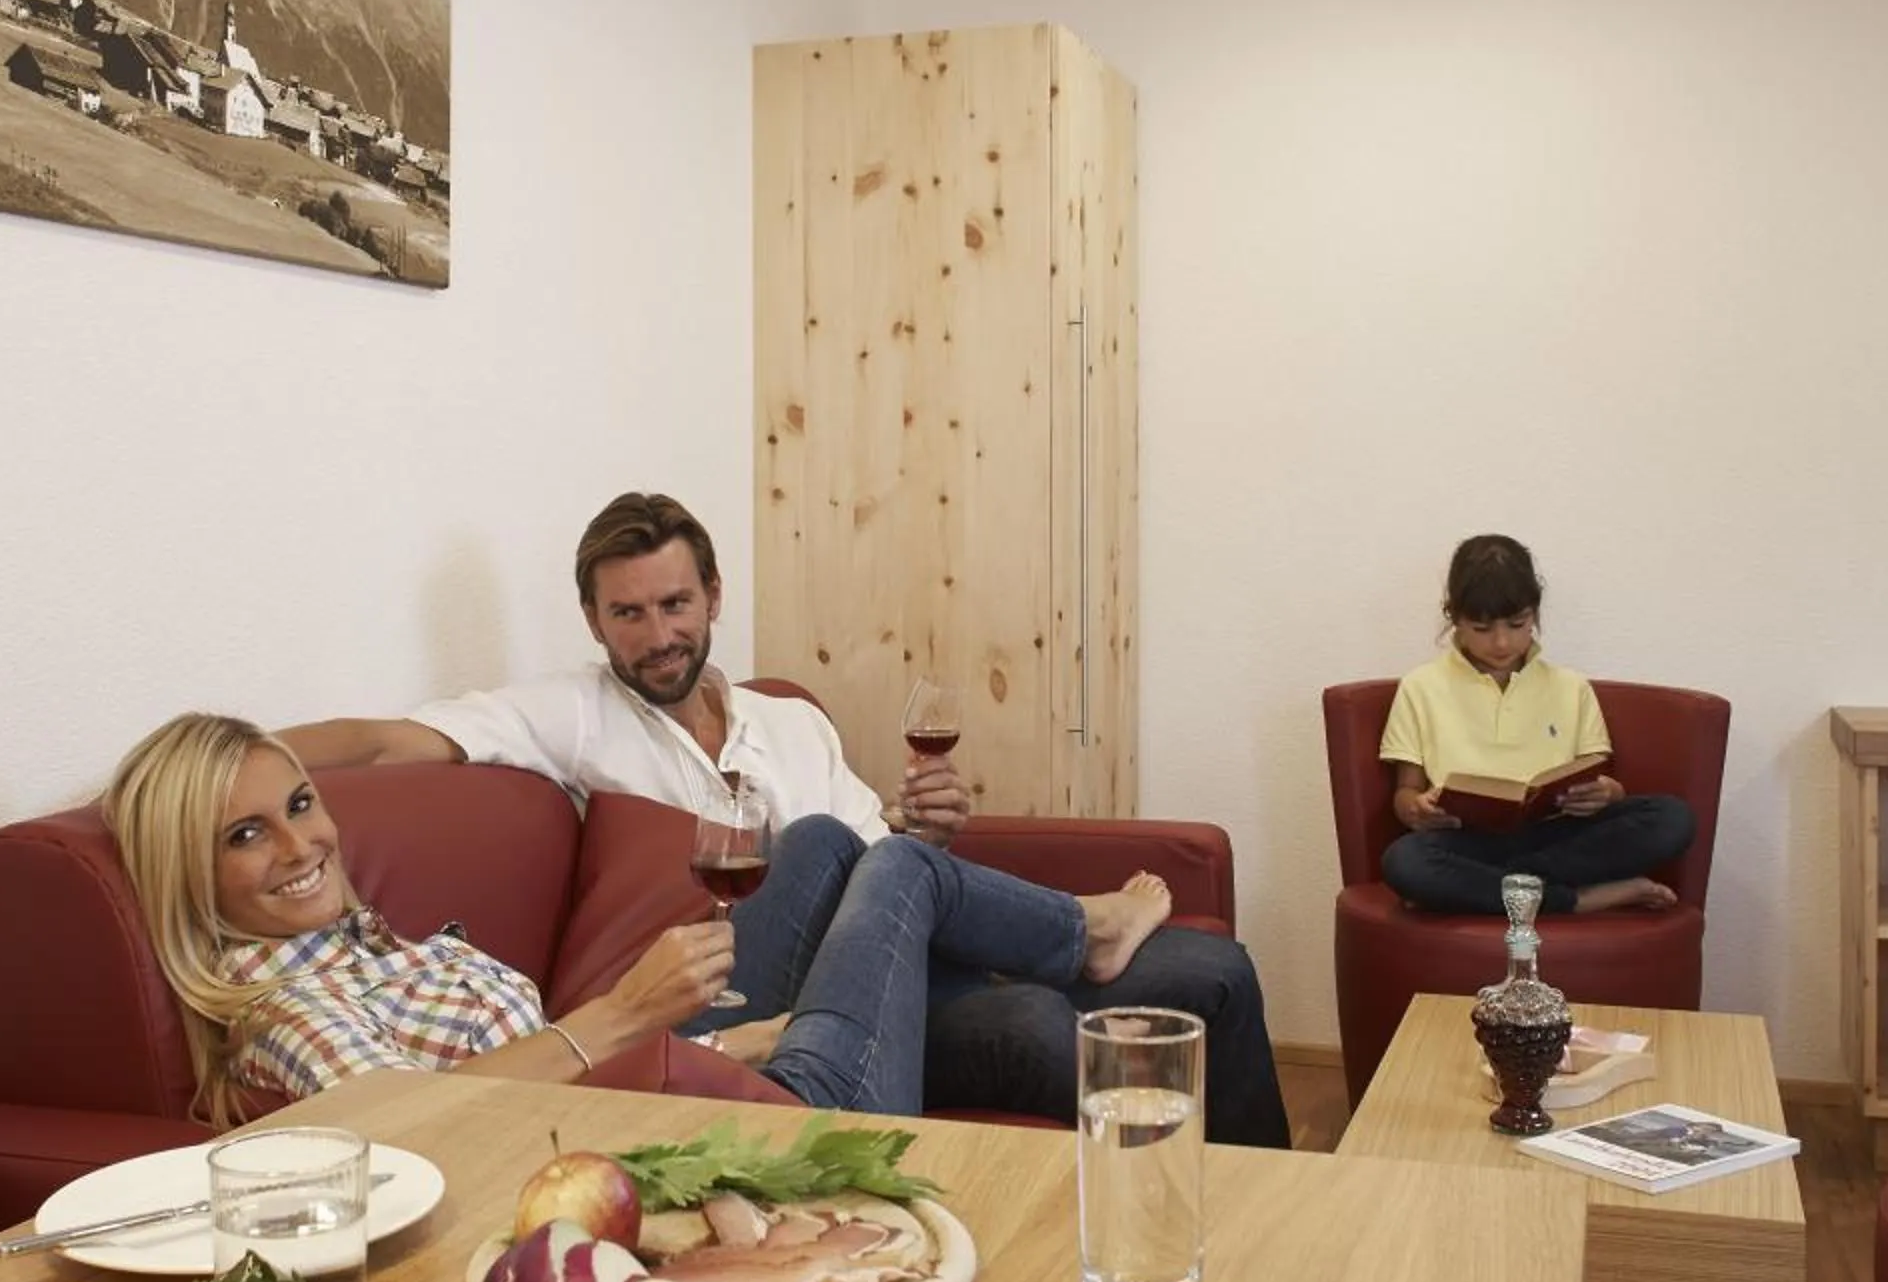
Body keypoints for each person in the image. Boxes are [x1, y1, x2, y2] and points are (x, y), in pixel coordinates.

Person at [278, 491, 1292, 1148]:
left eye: (675, 603)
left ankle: (1273, 1211)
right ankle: (1080, 925)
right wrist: (215, 760)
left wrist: (929, 834)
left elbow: (882, 863)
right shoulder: (567, 711)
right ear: (594, 621)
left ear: (713, 594)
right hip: (741, 1003)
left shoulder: (790, 719)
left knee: (1213, 972)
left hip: (882, 973)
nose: (657, 634)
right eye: (627, 614)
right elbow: (377, 743)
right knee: (889, 903)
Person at [105, 710, 1168, 1125]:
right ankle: (1083, 930)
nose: (300, 846)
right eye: (243, 835)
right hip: (777, 1129)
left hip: (686, 1087)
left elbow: (547, 1065)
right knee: (901, 868)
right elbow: (394, 1125)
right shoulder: (286, 1005)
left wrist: (720, 1032)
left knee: (823, 842)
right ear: (183, 872)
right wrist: (619, 1012)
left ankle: (1044, 942)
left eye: (298, 805)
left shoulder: (367, 944)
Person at [1381, 534, 1696, 917]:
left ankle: (1475, 889)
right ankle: (1580, 899)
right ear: (1454, 618)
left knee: (1671, 819)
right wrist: (1418, 809)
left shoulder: (1571, 687)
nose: (1501, 643)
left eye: (1518, 624)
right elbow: (1405, 794)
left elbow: (1602, 780)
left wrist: (1605, 794)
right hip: (1466, 840)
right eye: (1481, 628)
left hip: (1557, 837)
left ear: (1535, 613)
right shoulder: (1420, 687)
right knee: (1405, 861)